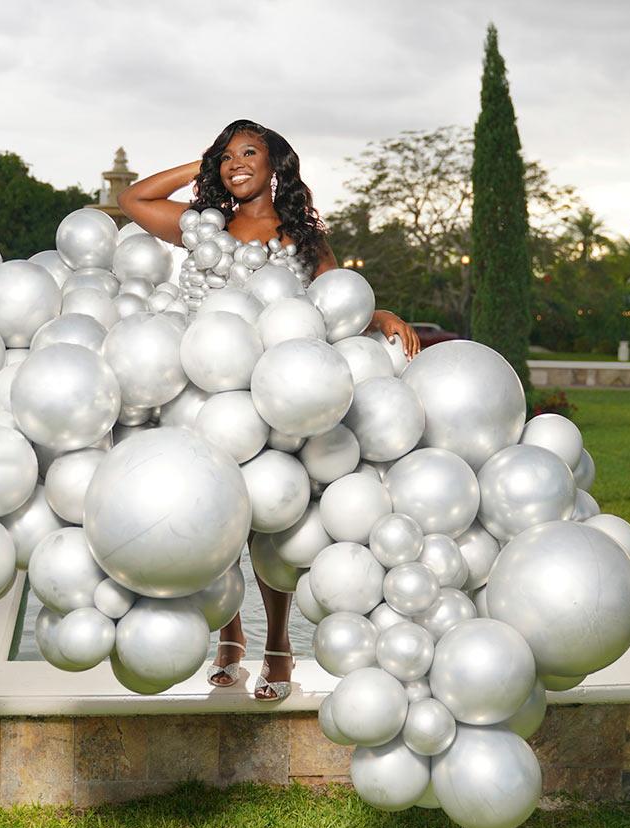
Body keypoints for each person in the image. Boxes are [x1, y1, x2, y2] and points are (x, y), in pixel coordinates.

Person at [119, 119, 419, 701]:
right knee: (212, 516)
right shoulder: (203, 226)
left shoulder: (304, 237)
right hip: (201, 387)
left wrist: (381, 318)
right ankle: (230, 636)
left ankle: (277, 647)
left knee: (267, 515)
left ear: (276, 164)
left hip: (273, 394)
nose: (236, 162)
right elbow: (135, 199)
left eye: (249, 152)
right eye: (228, 154)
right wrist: (205, 163)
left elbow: (338, 303)